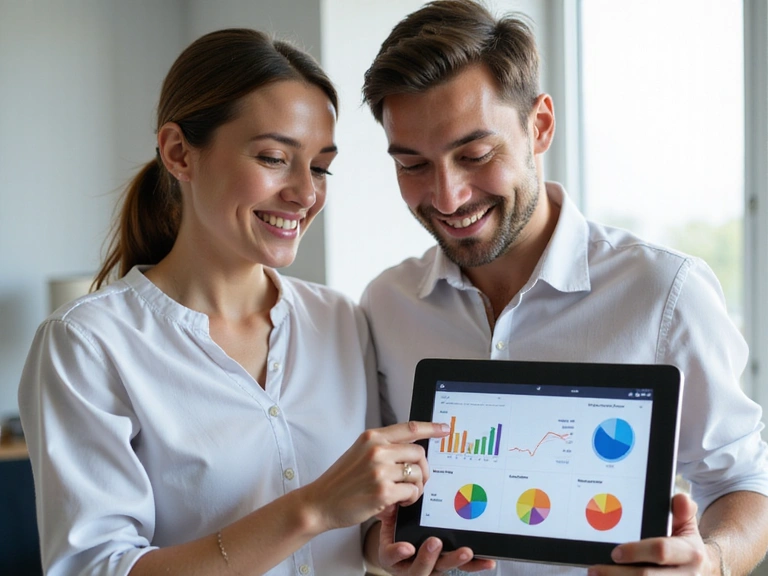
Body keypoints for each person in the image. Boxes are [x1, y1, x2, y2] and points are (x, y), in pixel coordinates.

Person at [17, 28, 453, 576]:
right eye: (274, 157)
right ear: (179, 152)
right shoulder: (87, 344)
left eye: (320, 167)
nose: (306, 192)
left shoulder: (340, 321)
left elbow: (354, 524)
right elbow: (96, 568)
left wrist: (385, 549)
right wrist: (311, 509)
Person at [360, 1, 768, 575]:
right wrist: (383, 552)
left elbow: (745, 479)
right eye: (413, 165)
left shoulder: (665, 292)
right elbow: (375, 506)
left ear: (540, 126)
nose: (447, 197)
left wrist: (713, 565)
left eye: (475, 155)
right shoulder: (386, 304)